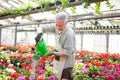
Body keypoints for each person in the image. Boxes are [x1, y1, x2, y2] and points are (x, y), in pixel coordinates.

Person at [36, 12, 76, 80]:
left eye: (60, 25)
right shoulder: (56, 27)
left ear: (66, 23)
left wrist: (52, 53)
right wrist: (39, 33)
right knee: (57, 76)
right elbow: (42, 27)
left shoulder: (69, 34)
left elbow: (66, 54)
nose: (58, 27)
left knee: (64, 77)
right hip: (58, 59)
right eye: (56, 24)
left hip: (66, 63)